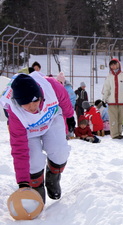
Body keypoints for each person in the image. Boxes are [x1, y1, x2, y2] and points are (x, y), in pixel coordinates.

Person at [0, 72, 74, 203]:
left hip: (51, 119)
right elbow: (19, 150)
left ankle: (53, 177)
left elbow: (65, 100)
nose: (32, 107)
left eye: (35, 101)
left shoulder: (51, 86)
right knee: (33, 161)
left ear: (40, 94)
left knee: (60, 151)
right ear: (18, 102)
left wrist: (69, 116)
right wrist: (23, 183)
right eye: (26, 104)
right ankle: (36, 186)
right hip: (29, 129)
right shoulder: (16, 114)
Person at [102, 58, 123, 139]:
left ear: (118, 64)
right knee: (113, 119)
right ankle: (114, 134)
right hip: (112, 101)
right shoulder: (109, 76)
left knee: (121, 118)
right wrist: (104, 99)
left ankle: (119, 133)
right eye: (112, 65)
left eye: (115, 64)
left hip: (122, 101)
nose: (113, 66)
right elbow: (106, 88)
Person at [56, 72, 76, 138]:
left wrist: (70, 106)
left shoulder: (67, 88)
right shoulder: (59, 87)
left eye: (60, 81)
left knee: (69, 121)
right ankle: (65, 133)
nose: (59, 83)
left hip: (67, 107)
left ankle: (69, 133)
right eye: (58, 81)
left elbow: (72, 98)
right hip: (62, 108)